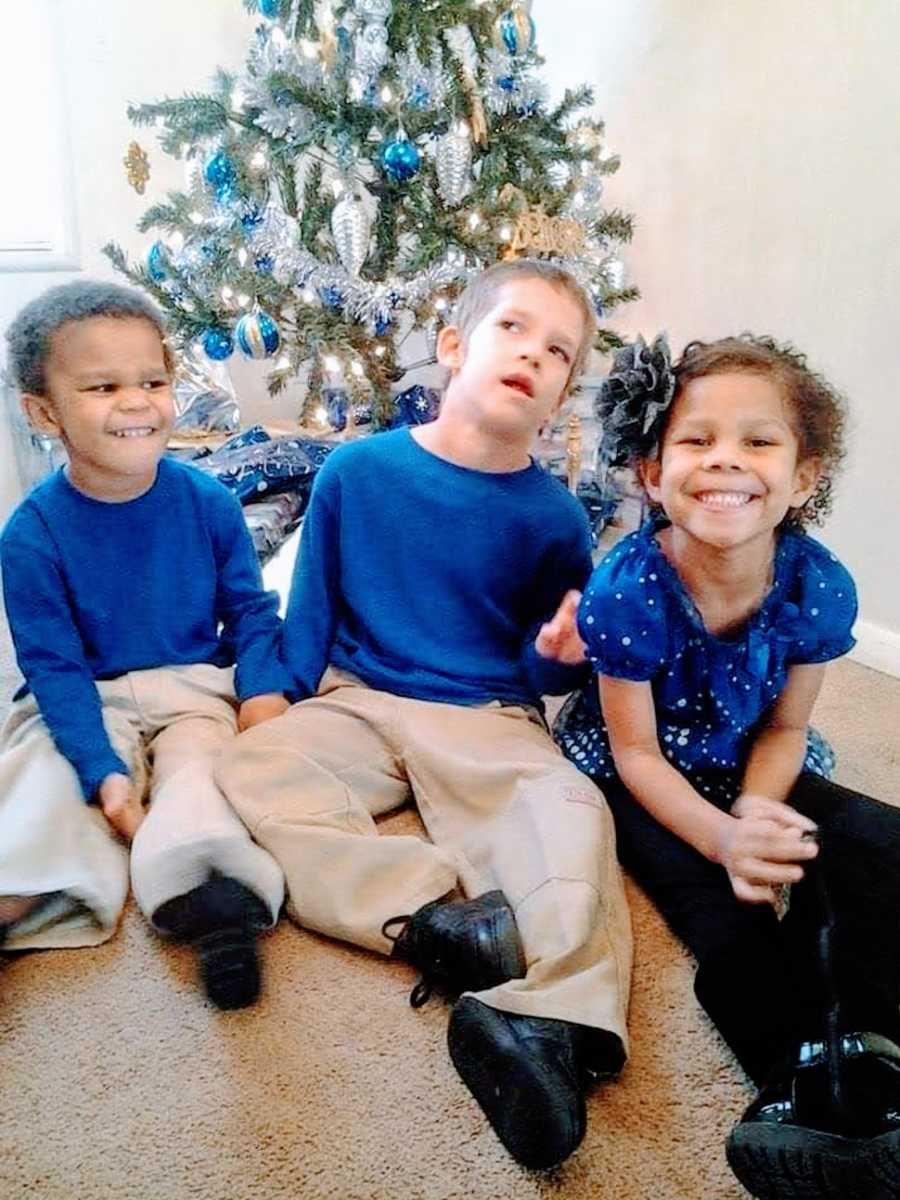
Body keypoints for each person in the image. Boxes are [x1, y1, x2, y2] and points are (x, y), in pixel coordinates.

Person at [216, 259, 633, 1169]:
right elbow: (311, 611)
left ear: (564, 389)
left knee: (569, 816)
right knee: (250, 770)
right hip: (360, 700)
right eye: (513, 329)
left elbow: (543, 664)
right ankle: (436, 917)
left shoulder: (556, 517)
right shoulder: (359, 472)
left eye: (558, 350)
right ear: (453, 346)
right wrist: (275, 702)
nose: (533, 355)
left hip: (488, 712)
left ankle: (557, 1020)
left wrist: (557, 655)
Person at [553, 333, 900, 1199]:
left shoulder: (819, 586)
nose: (726, 464)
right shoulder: (625, 591)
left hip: (754, 754)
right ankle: (793, 1085)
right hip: (643, 768)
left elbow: (787, 728)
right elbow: (633, 751)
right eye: (696, 440)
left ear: (805, 475)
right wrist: (721, 838)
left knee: (867, 846)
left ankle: (873, 1052)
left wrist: (754, 811)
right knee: (725, 914)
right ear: (650, 469)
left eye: (758, 441)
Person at [0, 280, 287, 1009]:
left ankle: (213, 901)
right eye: (102, 386)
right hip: (86, 695)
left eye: (152, 381)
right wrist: (103, 773)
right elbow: (53, 665)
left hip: (194, 687)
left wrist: (260, 692)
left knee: (205, 776)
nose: (136, 402)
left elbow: (251, 612)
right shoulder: (30, 536)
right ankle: (10, 903)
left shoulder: (209, 503)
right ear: (42, 413)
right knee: (43, 780)